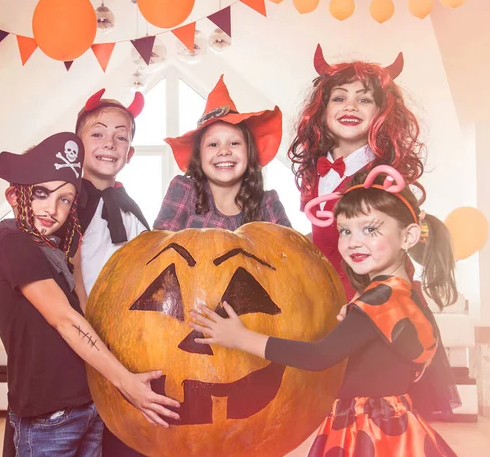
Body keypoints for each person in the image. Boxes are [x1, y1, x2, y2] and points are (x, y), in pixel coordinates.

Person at [189, 166, 458, 457]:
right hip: (392, 422)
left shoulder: (381, 299)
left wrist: (240, 338)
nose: (354, 241)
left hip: (369, 430)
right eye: (345, 230)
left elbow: (318, 357)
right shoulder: (402, 294)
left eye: (371, 229)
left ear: (408, 237)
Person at [0, 132, 179, 456]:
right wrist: (125, 382)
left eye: (65, 199)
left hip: (85, 404)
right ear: (15, 196)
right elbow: (66, 321)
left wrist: (75, 260)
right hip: (49, 414)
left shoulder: (51, 251)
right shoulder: (12, 243)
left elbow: (83, 312)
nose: (51, 209)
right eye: (41, 194)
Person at [289, 45, 460, 420]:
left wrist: (368, 301)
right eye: (339, 97)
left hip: (378, 313)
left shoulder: (384, 179)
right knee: (341, 417)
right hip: (332, 305)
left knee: (381, 417)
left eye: (364, 99)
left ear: (382, 113)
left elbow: (391, 253)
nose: (350, 106)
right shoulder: (316, 175)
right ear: (322, 109)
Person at [72, 90, 158, 456]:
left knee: (126, 438)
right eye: (98, 133)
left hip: (130, 345)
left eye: (120, 136)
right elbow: (69, 273)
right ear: (77, 145)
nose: (110, 143)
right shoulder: (66, 203)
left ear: (130, 152)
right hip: (82, 342)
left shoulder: (131, 210)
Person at [154, 75, 291, 230]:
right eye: (213, 144)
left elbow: (289, 249)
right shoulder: (185, 191)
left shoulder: (267, 204)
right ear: (199, 155)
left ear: (249, 152)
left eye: (234, 143)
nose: (224, 151)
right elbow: (162, 246)